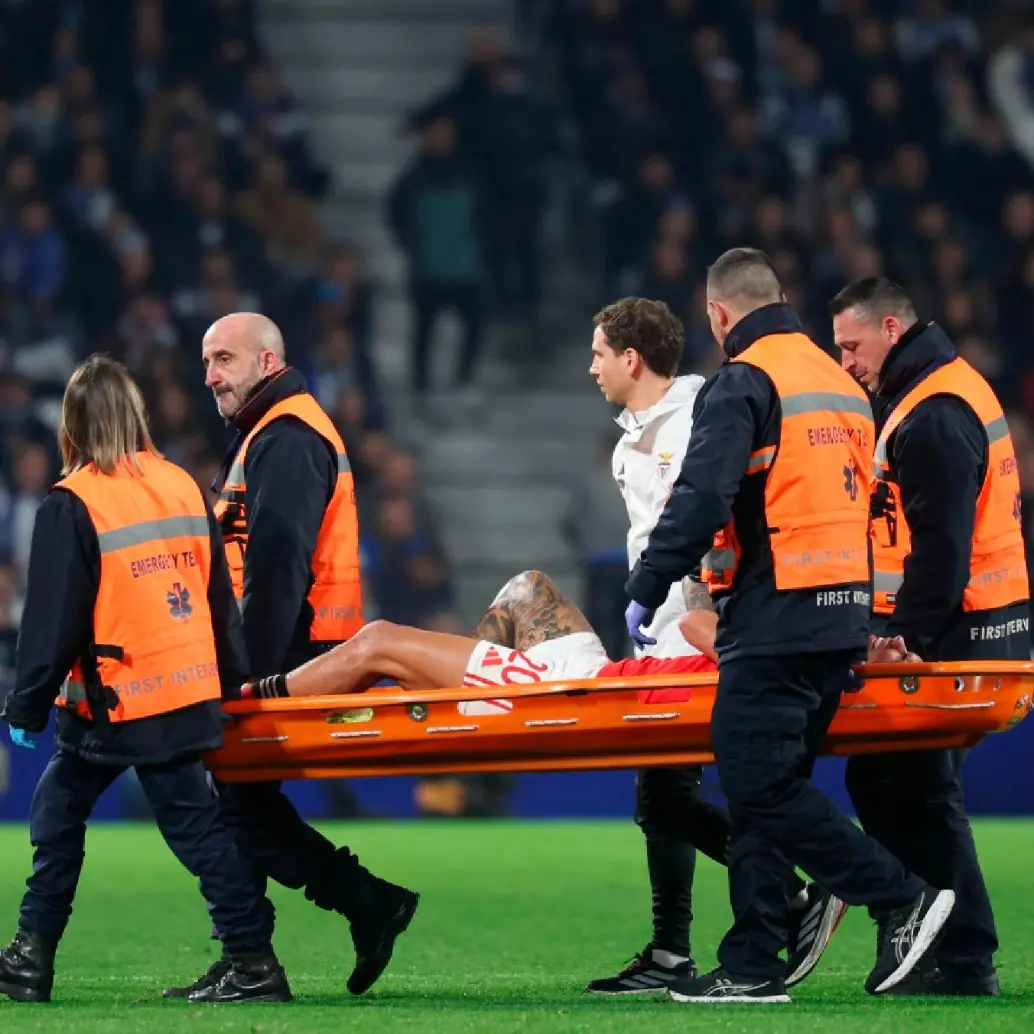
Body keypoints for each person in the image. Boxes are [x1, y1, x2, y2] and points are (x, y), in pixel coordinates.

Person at [623, 247, 955, 1004]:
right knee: (765, 793)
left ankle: (899, 896)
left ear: (717, 314)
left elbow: (703, 496)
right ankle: (752, 963)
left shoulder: (745, 381)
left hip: (777, 616)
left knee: (756, 783)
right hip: (840, 615)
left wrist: (648, 579)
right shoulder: (837, 381)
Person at [0, 356, 290, 1004]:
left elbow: (51, 618)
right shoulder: (181, 484)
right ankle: (29, 957)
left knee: (184, 831)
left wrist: (25, 706)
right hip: (183, 689)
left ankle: (253, 962)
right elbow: (218, 597)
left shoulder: (74, 501)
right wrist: (234, 680)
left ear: (70, 424)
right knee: (63, 807)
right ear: (134, 413)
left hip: (121, 698)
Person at [165, 312, 418, 1000]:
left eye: (223, 359)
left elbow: (278, 570)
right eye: (206, 360)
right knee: (240, 805)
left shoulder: (286, 437)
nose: (209, 374)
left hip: (293, 655)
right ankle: (271, 949)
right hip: (293, 649)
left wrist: (252, 676)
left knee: (236, 810)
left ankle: (326, 922)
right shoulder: (272, 433)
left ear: (268, 362)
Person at [831, 276, 1031, 997]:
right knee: (905, 783)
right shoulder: (941, 393)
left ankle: (952, 949)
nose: (846, 360)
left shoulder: (934, 413)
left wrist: (905, 638)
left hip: (958, 629)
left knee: (903, 781)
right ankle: (947, 945)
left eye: (852, 345)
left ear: (891, 328)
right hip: (982, 620)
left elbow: (941, 551)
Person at [583, 297, 733, 995]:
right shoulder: (628, 443)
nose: (593, 368)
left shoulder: (705, 415)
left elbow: (715, 518)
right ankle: (672, 951)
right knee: (661, 793)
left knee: (664, 797)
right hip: (662, 641)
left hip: (700, 640)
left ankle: (800, 890)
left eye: (599, 354)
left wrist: (707, 617)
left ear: (631, 358)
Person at [240, 568, 719, 702]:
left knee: (379, 639)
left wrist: (704, 565)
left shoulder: (752, 649)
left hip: (571, 695)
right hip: (599, 676)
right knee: (529, 587)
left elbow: (695, 625)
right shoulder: (766, 653)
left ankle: (260, 698)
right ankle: (468, 693)